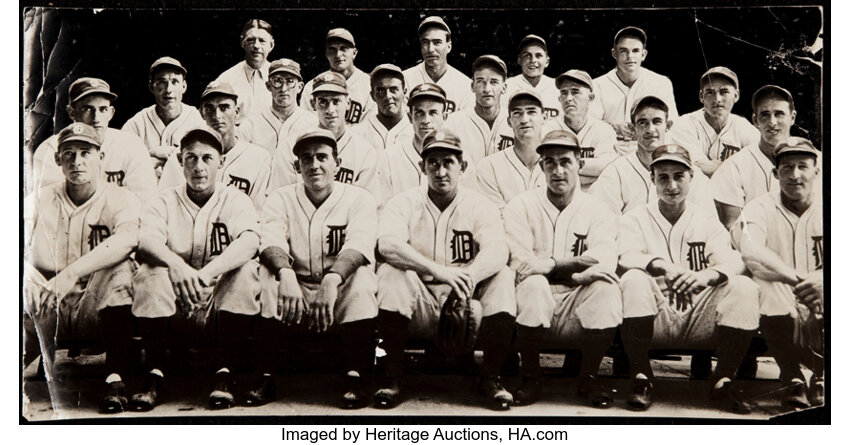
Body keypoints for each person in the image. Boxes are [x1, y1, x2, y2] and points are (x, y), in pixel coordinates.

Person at [374, 129, 517, 410]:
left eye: (448, 162)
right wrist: (437, 271)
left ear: (462, 166)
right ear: (422, 166)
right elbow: (386, 245)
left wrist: (469, 279)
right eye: (433, 163)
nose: (440, 171)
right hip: (420, 299)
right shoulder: (405, 202)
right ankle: (393, 376)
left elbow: (499, 249)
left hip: (466, 299)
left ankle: (491, 377)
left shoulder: (478, 204)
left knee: (502, 277)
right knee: (391, 273)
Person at [617, 144, 760, 414]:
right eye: (663, 177)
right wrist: (662, 267)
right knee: (633, 279)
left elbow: (732, 259)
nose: (671, 184)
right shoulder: (634, 218)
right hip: (654, 314)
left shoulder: (706, 219)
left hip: (699, 314)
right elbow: (625, 256)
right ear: (652, 180)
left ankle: (723, 379)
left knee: (744, 286)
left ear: (692, 177)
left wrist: (706, 275)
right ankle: (641, 377)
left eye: (679, 176)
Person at [130, 126, 263, 411]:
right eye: (191, 158)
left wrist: (206, 273)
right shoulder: (163, 200)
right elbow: (147, 241)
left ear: (221, 162)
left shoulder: (236, 199)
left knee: (245, 272)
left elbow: (251, 241)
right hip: (175, 301)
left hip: (217, 302)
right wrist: (177, 266)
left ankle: (224, 374)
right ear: (180, 161)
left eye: (207, 158)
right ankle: (155, 374)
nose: (198, 167)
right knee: (149, 274)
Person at [24, 123, 140, 414]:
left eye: (86, 153)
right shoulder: (38, 199)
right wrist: (28, 276)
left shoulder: (120, 197)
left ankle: (115, 378)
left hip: (95, 300)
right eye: (69, 154)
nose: (77, 162)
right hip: (48, 302)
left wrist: (71, 273)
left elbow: (128, 239)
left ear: (101, 158)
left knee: (120, 270)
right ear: (57, 160)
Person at [258, 129, 379, 409]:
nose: (314, 165)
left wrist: (332, 280)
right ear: (296, 165)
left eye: (322, 157)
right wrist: (285, 274)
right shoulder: (280, 197)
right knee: (266, 277)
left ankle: (357, 374)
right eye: (306, 158)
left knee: (362, 280)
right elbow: (270, 238)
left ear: (337, 163)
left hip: (337, 288)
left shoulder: (359, 198)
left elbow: (361, 242)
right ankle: (265, 375)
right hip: (295, 287)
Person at [502, 130, 622, 408]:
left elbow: (604, 259)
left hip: (578, 297)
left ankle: (589, 377)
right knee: (533, 284)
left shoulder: (598, 208)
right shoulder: (521, 205)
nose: (558, 170)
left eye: (565, 161)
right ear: (541, 166)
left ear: (580, 163)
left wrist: (551, 264)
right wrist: (578, 269)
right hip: (533, 296)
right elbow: (521, 263)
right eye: (550, 162)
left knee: (605, 288)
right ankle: (530, 376)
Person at [733, 138, 824, 408]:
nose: (794, 175)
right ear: (775, 174)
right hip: (786, 293)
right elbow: (750, 252)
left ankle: (822, 377)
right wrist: (800, 281)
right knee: (766, 283)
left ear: (816, 171)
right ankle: (791, 377)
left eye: (802, 166)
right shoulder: (759, 207)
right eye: (786, 167)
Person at [711, 85, 821, 229]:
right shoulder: (734, 167)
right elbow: (733, 229)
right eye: (765, 114)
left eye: (779, 114)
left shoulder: (818, 161)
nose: (772, 122)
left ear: (792, 117)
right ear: (755, 120)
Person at [30, 77, 158, 202]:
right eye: (87, 109)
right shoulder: (50, 148)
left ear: (111, 113)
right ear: (71, 112)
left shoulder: (131, 145)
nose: (96, 117)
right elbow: (49, 204)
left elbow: (145, 200)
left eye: (103, 109)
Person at [590, 95, 713, 215]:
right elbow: (603, 223)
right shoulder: (616, 172)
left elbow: (707, 224)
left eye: (657, 122)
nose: (650, 129)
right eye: (643, 123)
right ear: (633, 129)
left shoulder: (690, 173)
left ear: (668, 126)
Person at [159, 81, 270, 209]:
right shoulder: (183, 156)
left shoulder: (258, 158)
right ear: (201, 113)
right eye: (209, 108)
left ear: (237, 112)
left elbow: (259, 213)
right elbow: (166, 204)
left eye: (224, 108)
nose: (217, 115)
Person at [271, 71, 379, 193]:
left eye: (336, 101)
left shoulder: (365, 152)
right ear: (313, 104)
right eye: (323, 102)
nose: (330, 110)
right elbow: (279, 197)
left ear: (348, 103)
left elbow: (367, 203)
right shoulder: (289, 148)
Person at [376, 83, 475, 206]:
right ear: (410, 117)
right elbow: (383, 208)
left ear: (444, 117)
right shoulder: (389, 157)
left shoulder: (461, 158)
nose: (426, 120)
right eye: (419, 113)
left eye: (433, 113)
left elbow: (468, 206)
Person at [590, 26, 678, 154]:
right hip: (611, 148)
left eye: (635, 51)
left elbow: (672, 124)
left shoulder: (660, 82)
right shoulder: (597, 84)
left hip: (650, 148)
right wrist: (615, 127)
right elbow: (590, 123)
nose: (630, 56)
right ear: (614, 54)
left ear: (643, 54)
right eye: (623, 51)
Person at [669, 67, 760, 177]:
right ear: (701, 97)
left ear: (736, 95)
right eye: (709, 92)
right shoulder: (684, 124)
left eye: (724, 92)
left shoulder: (743, 127)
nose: (717, 99)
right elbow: (704, 169)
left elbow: (761, 162)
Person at [121, 57, 205, 176]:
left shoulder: (196, 120)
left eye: (175, 82)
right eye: (162, 82)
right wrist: (154, 153)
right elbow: (121, 162)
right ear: (151, 86)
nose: (168, 90)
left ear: (184, 86)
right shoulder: (137, 124)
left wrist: (149, 156)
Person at [543, 69, 619, 189]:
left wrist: (564, 172)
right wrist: (592, 173)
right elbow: (544, 173)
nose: (568, 98)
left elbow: (607, 169)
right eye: (564, 93)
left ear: (590, 98)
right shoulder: (548, 130)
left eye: (575, 92)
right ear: (559, 99)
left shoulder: (604, 130)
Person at [475, 90, 546, 209]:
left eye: (531, 112)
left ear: (544, 117)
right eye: (517, 113)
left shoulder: (557, 165)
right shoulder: (489, 166)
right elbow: (494, 217)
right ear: (509, 121)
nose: (524, 119)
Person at [443, 55, 514, 164]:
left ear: (504, 87)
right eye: (481, 81)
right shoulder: (454, 122)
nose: (487, 89)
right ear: (472, 86)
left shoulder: (515, 121)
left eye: (494, 82)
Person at [238, 58, 317, 155]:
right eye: (277, 81)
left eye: (290, 81)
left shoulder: (313, 123)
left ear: (299, 87)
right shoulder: (250, 125)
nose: (284, 89)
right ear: (268, 86)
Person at [300, 28, 375, 124]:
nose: (338, 54)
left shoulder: (368, 84)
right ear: (326, 54)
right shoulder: (312, 87)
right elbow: (307, 125)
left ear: (354, 53)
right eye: (332, 49)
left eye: (344, 48)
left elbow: (371, 126)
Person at [403, 16, 474, 114]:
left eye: (437, 42)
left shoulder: (465, 86)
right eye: (425, 42)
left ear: (449, 46)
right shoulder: (404, 80)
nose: (430, 49)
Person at [215, 19, 275, 121]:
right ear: (243, 43)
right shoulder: (226, 79)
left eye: (262, 40)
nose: (256, 46)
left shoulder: (282, 78)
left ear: (271, 45)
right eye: (251, 40)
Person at [355, 64, 413, 151]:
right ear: (372, 96)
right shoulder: (358, 133)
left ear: (404, 92)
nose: (388, 96)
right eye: (381, 91)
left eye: (394, 89)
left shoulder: (415, 131)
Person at [503, 34, 561, 120]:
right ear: (519, 60)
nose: (533, 60)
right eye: (527, 55)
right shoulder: (506, 87)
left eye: (538, 56)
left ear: (547, 61)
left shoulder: (558, 88)